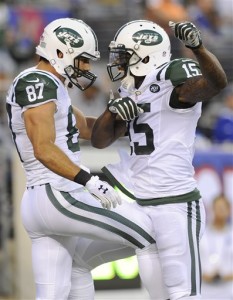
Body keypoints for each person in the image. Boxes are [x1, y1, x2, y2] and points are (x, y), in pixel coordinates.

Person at [5, 18, 168, 300]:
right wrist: (88, 180)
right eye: (82, 59)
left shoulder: (52, 86)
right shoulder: (37, 82)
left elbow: (90, 131)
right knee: (151, 232)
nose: (85, 67)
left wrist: (122, 118)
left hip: (43, 200)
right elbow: (43, 148)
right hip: (58, 194)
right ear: (59, 52)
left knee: (61, 286)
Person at [91, 19, 228, 299]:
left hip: (175, 204)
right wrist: (111, 112)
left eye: (124, 55)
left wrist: (198, 49)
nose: (118, 62)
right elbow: (100, 140)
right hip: (139, 203)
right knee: (158, 295)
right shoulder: (129, 88)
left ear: (145, 54)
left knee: (183, 293)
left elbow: (215, 83)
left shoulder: (171, 76)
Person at [200, 194, 233, 299]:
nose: (221, 211)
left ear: (229, 210)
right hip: (205, 290)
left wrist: (228, 275)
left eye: (224, 208)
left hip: (228, 290)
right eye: (218, 207)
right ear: (212, 209)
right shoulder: (202, 234)